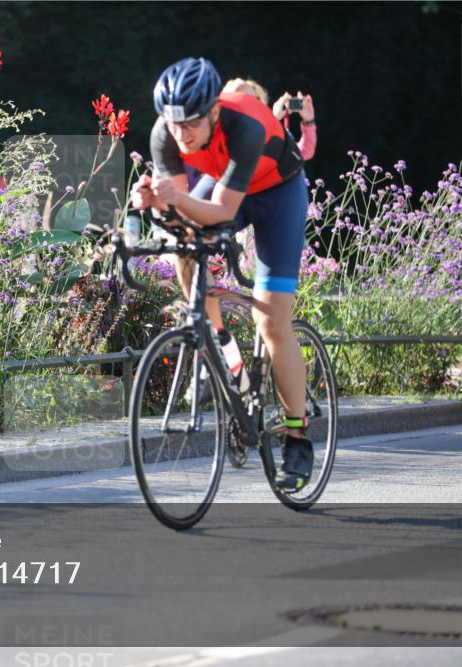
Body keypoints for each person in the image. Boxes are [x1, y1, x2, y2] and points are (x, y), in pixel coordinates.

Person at [131, 56, 313, 490]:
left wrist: (170, 199)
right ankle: (218, 344)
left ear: (214, 111)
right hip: (229, 187)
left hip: (278, 195)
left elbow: (220, 210)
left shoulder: (244, 127)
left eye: (191, 123)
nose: (182, 134)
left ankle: (297, 435)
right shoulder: (165, 134)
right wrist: (155, 202)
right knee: (183, 248)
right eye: (173, 124)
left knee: (271, 321)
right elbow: (183, 215)